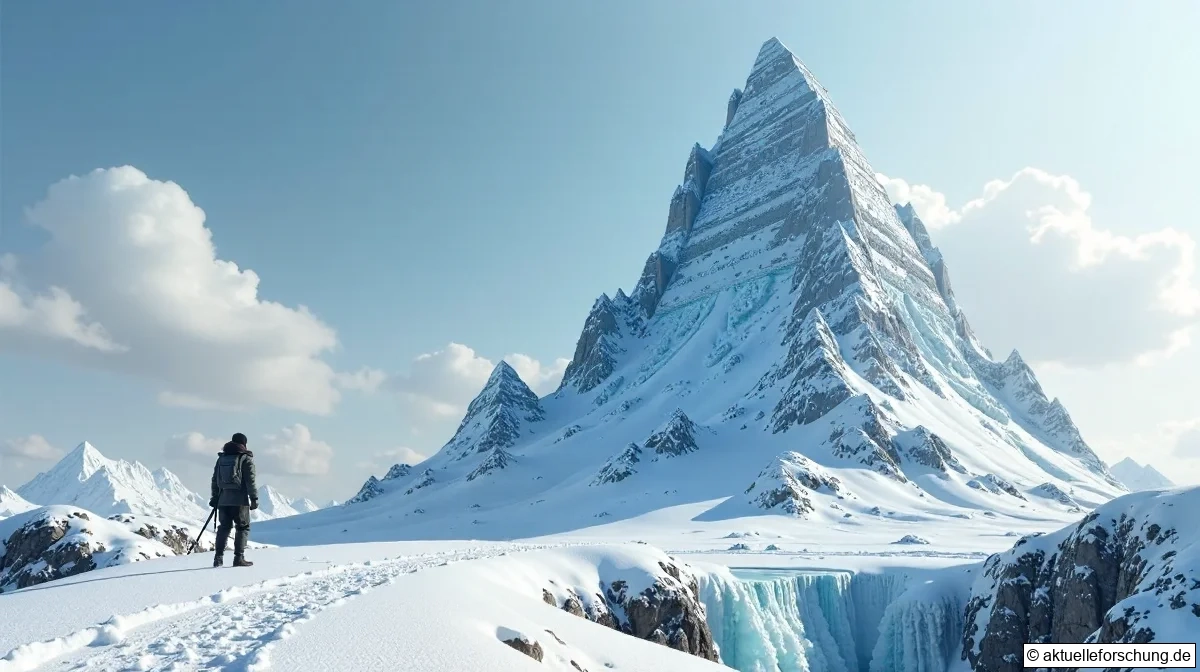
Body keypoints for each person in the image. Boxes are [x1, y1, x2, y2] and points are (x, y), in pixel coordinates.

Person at [209, 432, 258, 567]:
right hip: (240, 500)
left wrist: (214, 497)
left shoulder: (221, 458)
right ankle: (238, 558)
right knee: (242, 527)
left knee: (224, 527)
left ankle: (218, 558)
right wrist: (254, 498)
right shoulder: (245, 458)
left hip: (223, 500)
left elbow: (215, 480)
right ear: (243, 443)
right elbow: (250, 480)